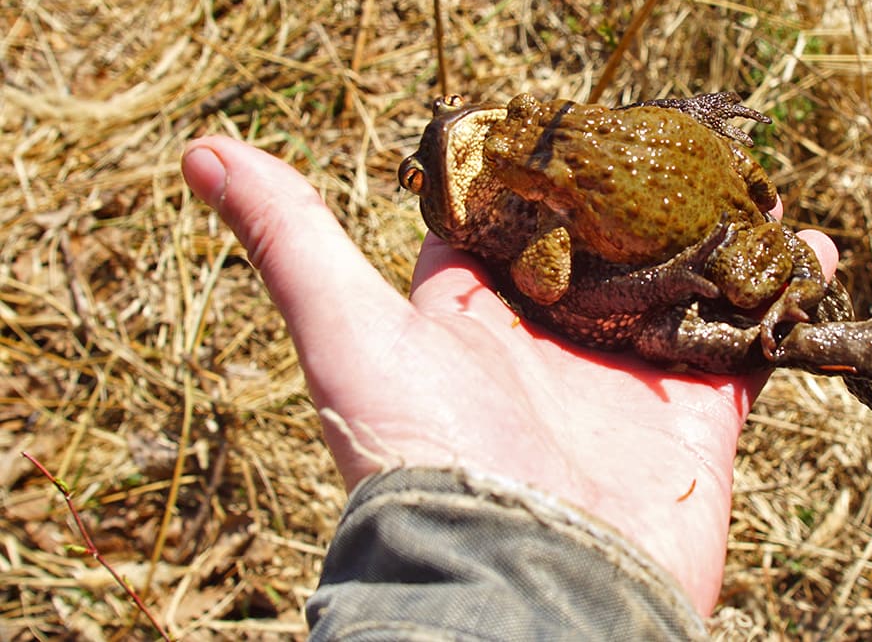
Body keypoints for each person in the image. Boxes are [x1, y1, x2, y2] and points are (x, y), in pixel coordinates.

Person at [181, 136, 838, 639]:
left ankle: (798, 280)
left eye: (522, 171)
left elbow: (548, 283)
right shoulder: (558, 183)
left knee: (758, 282)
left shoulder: (564, 206)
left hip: (707, 225)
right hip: (690, 170)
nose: (502, 160)